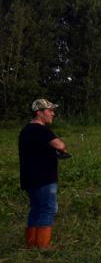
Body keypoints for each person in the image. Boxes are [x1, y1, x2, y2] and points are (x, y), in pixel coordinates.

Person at [18, 99, 68, 249]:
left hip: (29, 178)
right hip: (44, 178)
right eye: (49, 110)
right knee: (48, 208)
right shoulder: (40, 129)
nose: (53, 113)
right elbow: (60, 145)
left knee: (36, 209)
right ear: (39, 113)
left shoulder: (26, 130)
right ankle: (43, 247)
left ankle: (31, 244)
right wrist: (62, 150)